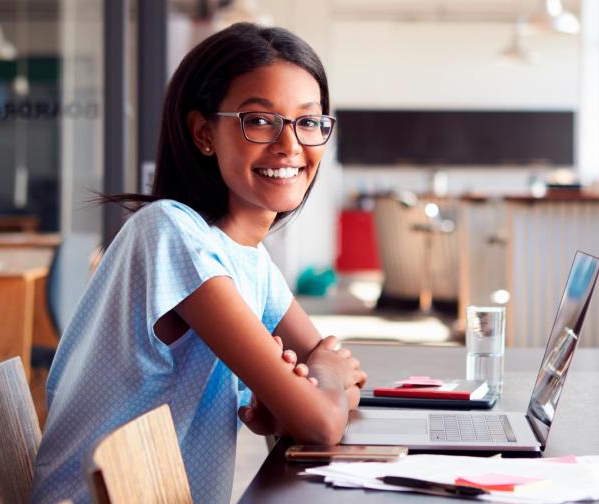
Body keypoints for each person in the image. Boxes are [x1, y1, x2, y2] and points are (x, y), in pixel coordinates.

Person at [30, 23, 366, 503]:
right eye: (260, 120)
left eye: (308, 121)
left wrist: (308, 389)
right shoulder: (172, 235)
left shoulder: (248, 258)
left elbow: (330, 385)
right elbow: (321, 419)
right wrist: (321, 383)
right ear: (204, 133)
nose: (290, 144)